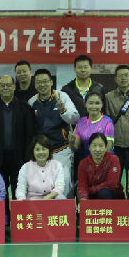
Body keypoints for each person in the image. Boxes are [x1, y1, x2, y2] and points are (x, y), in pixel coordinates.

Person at [0, 75, 36, 198]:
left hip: (20, 158)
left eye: (8, 85)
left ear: (14, 86)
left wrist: (28, 158)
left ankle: (18, 211)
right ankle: (4, 211)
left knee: (20, 192)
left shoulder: (25, 108)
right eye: (2, 85)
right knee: (0, 192)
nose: (5, 88)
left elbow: (30, 136)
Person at [28, 68, 79, 197]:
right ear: (35, 84)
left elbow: (75, 118)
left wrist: (63, 111)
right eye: (39, 82)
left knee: (64, 181)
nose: (42, 85)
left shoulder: (62, 96)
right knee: (43, 185)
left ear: (51, 82)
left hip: (61, 150)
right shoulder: (32, 102)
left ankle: (65, 207)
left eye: (45, 81)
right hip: (41, 152)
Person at [105, 64, 129, 179]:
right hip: (115, 146)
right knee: (114, 180)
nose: (123, 78)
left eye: (126, 75)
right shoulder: (109, 97)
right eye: (120, 76)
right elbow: (106, 120)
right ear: (115, 78)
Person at [15, 135, 65, 200]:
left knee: (61, 197)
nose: (41, 152)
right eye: (37, 149)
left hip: (52, 199)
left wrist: (49, 196)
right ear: (33, 151)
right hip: (32, 201)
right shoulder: (25, 167)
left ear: (49, 150)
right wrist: (22, 199)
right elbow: (20, 189)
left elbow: (60, 186)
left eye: (44, 149)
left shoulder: (57, 165)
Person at [77, 132, 123, 200]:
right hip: (91, 195)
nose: (97, 149)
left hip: (111, 195)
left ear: (106, 147)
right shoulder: (83, 163)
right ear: (89, 147)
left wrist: (92, 189)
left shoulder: (113, 159)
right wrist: (83, 198)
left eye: (101, 146)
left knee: (104, 193)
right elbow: (82, 186)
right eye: (94, 146)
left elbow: (112, 183)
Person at [73, 90, 115, 158]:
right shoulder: (81, 122)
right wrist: (71, 142)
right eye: (90, 103)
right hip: (87, 160)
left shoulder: (107, 121)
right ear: (85, 104)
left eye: (97, 103)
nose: (94, 106)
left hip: (106, 160)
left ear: (102, 105)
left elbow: (108, 147)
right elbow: (75, 147)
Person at [62, 54, 104, 118]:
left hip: (94, 124)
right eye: (80, 67)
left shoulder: (99, 89)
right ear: (75, 69)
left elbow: (103, 111)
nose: (83, 70)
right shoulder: (67, 89)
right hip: (73, 124)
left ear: (91, 68)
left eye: (85, 67)